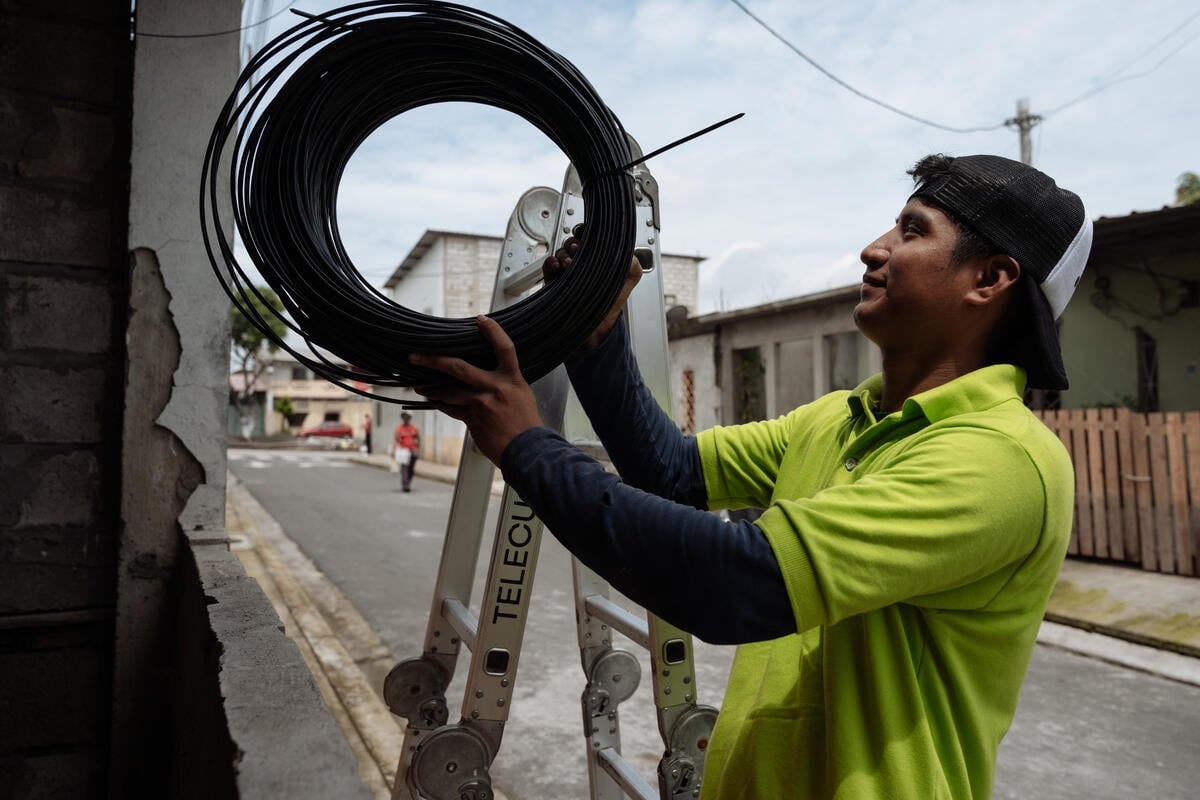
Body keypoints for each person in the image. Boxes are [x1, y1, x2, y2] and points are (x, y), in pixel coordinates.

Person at [410, 153, 1092, 799]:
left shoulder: (1000, 459)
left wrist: (526, 445)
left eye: (913, 231)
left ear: (990, 278)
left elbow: (732, 582)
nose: (874, 248)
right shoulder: (839, 419)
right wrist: (597, 340)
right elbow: (672, 471)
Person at [392, 411, 421, 492]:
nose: (405, 419)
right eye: (404, 418)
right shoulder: (399, 428)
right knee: (405, 468)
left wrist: (418, 448)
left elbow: (418, 439)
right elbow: (396, 440)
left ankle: (407, 482)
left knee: (411, 469)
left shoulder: (414, 428)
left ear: (410, 418)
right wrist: (394, 450)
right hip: (404, 452)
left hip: (413, 451)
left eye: (407, 417)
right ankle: (406, 485)